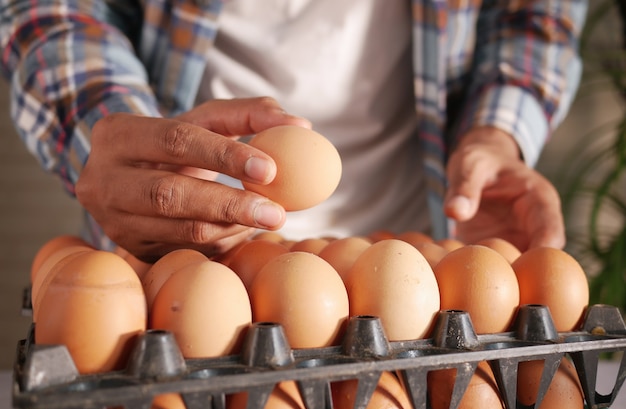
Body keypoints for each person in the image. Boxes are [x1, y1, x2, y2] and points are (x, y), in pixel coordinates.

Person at [0, 0, 588, 263]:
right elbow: (54, 10)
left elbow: (531, 15)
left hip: (417, 251)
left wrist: (495, 135)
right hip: (183, 249)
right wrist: (126, 140)